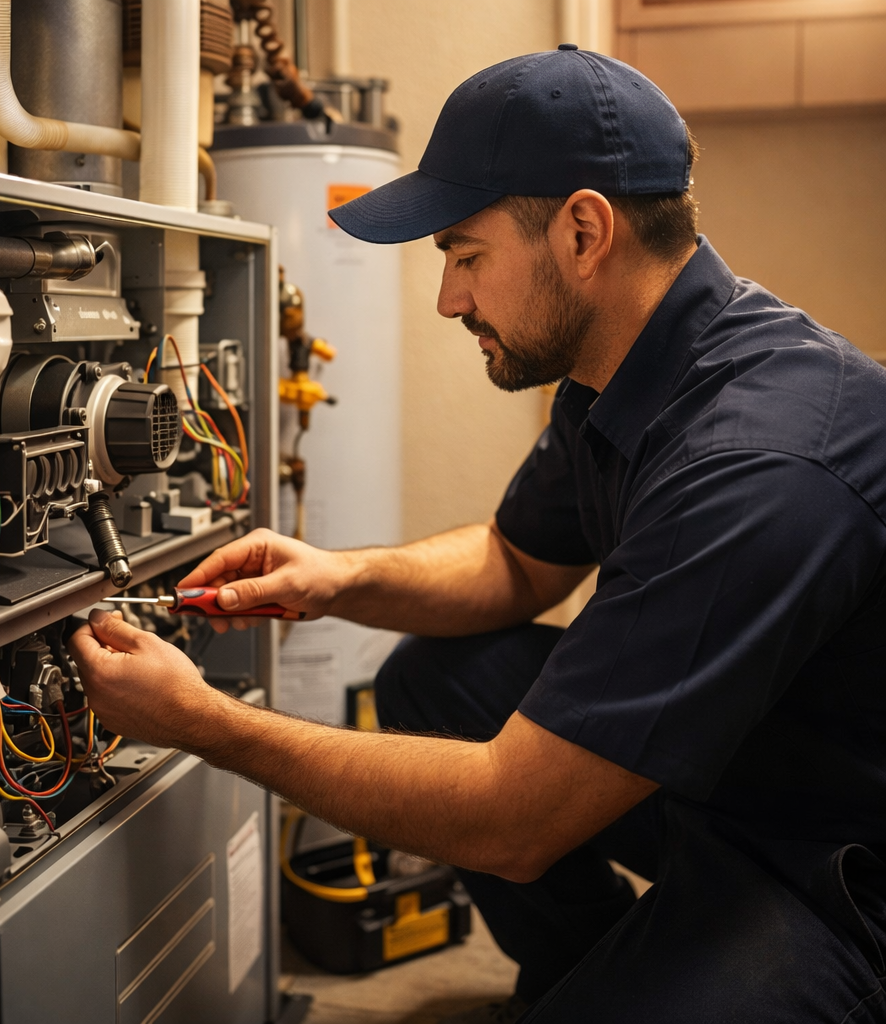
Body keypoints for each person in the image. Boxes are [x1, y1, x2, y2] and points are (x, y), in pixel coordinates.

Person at [69, 47, 886, 1024]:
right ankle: (588, 965)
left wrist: (200, 719)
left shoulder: (758, 461)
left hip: (834, 865)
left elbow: (513, 816)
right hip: (726, 774)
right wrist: (334, 577)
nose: (450, 300)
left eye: (464, 255)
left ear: (584, 230)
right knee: (431, 677)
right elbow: (514, 561)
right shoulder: (612, 378)